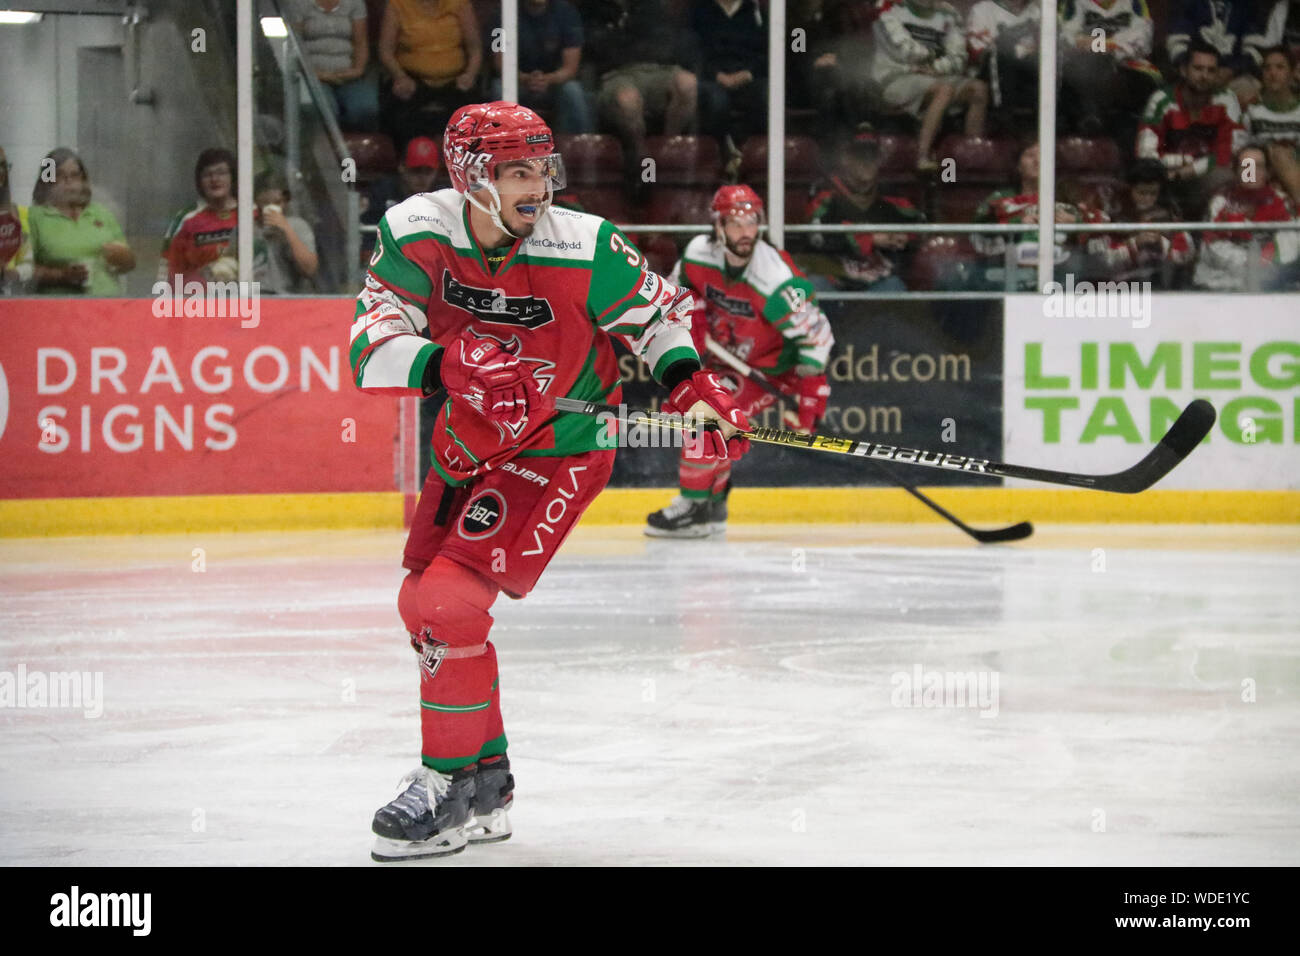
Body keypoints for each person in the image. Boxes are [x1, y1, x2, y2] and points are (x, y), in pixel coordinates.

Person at [355, 101, 750, 860]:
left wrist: (692, 390)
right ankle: (484, 780)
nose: (538, 186)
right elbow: (369, 349)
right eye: (518, 172)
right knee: (423, 607)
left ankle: (444, 787)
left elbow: (657, 320)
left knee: (447, 602)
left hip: (560, 448)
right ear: (472, 179)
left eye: (544, 168)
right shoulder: (417, 232)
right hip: (467, 446)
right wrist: (446, 364)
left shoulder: (584, 244)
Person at [645, 184, 833, 538]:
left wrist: (810, 391)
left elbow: (816, 336)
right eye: (735, 223)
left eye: (752, 222)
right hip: (726, 362)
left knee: (705, 418)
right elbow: (676, 292)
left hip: (772, 370)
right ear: (718, 226)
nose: (746, 232)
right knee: (710, 419)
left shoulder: (774, 278)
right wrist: (692, 314)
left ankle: (697, 504)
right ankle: (711, 504)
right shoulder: (699, 254)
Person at [582, 0, 701, 186]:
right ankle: (642, 161)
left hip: (657, 69)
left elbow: (666, 44)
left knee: (687, 83)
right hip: (617, 74)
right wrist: (629, 42)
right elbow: (597, 48)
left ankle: (666, 148)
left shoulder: (651, 7)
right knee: (628, 100)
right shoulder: (595, 9)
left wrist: (623, 39)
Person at [970, 141, 1106, 290]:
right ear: (1018, 166)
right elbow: (980, 231)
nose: (1037, 161)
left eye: (1043, 156)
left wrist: (1076, 223)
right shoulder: (1000, 199)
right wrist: (1016, 225)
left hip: (1063, 279)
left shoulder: (1070, 197)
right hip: (1011, 279)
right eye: (1030, 155)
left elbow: (1103, 227)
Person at [870, 0, 988, 172]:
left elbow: (959, 57)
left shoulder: (949, 14)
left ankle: (971, 155)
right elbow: (901, 50)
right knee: (944, 89)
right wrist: (935, 56)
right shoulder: (889, 6)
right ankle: (921, 156)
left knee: (978, 89)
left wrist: (935, 67)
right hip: (896, 77)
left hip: (935, 75)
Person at [801, 132, 926, 292]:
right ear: (845, 158)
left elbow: (920, 224)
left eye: (872, 156)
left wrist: (902, 236)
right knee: (812, 286)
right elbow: (817, 236)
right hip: (831, 278)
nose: (867, 162)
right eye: (860, 155)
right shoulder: (824, 190)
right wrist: (870, 239)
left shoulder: (890, 193)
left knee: (894, 288)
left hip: (875, 281)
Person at [1137, 38, 1246, 218]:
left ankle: (1216, 232)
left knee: (1229, 173)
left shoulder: (1226, 99)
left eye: (1211, 71)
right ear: (1184, 70)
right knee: (1145, 178)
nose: (1204, 76)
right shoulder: (1162, 99)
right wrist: (1181, 162)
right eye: (1198, 69)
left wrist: (1186, 171)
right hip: (1165, 177)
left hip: (1204, 179)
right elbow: (1146, 153)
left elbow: (1231, 150)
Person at [28, 148, 135, 295]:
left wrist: (123, 258)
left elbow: (128, 264)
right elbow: (21, 269)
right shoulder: (35, 217)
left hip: (108, 306)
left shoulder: (101, 213)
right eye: (60, 175)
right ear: (47, 181)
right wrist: (61, 275)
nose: (69, 182)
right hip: (58, 308)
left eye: (74, 175)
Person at [378, 0, 483, 150]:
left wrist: (470, 75)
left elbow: (475, 48)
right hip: (412, 78)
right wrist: (400, 77)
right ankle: (408, 163)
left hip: (456, 79)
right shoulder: (397, 5)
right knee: (398, 110)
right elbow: (385, 51)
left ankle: (461, 166)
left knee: (474, 113)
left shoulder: (460, 4)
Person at [1193, 143, 1300, 290]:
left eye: (1258, 166)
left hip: (1269, 280)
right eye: (1246, 166)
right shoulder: (1220, 202)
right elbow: (1212, 246)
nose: (1251, 172)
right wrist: (1251, 261)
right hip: (1222, 284)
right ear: (1236, 171)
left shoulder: (1282, 201)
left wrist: (1265, 261)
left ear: (1268, 172)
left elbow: (1290, 242)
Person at [1058, 0, 1160, 146]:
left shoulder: (1135, 3)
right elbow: (1067, 37)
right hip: (1085, 66)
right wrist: (1115, 43)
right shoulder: (1073, 2)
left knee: (1146, 82)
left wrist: (1100, 44)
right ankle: (1090, 119)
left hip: (1126, 66)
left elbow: (1142, 40)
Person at [487, 0, 592, 134]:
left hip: (555, 83)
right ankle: (505, 147)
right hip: (516, 81)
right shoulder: (501, 14)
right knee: (499, 89)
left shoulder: (567, 13)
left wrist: (547, 79)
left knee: (573, 91)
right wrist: (525, 78)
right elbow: (499, 63)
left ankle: (580, 149)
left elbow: (570, 68)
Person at [1092, 159, 1195, 287]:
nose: (1147, 199)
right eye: (1141, 192)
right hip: (1120, 286)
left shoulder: (1169, 214)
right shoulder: (1112, 215)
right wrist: (1135, 243)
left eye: (1153, 193)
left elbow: (1186, 253)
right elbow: (1101, 260)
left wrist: (1161, 242)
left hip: (1161, 284)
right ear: (1129, 188)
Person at [693, 0, 769, 172]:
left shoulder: (755, 13)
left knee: (768, 95)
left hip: (748, 77)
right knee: (716, 101)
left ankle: (753, 157)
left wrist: (748, 74)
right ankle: (722, 157)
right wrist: (716, 75)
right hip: (712, 79)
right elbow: (693, 51)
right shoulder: (701, 11)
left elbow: (768, 52)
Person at [288, 0, 379, 131]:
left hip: (349, 74)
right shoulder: (299, 3)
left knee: (365, 108)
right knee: (326, 110)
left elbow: (361, 42)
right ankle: (323, 148)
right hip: (312, 75)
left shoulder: (355, 3)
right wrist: (317, 74)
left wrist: (358, 70)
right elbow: (295, 45)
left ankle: (353, 148)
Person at [159, 148, 240, 285]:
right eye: (207, 175)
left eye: (221, 173)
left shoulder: (250, 213)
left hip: (248, 301)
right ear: (199, 181)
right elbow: (168, 270)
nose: (215, 179)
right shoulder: (187, 218)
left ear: (233, 177)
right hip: (198, 301)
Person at [361, 135, 442, 259]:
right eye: (416, 170)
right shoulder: (382, 192)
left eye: (428, 171)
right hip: (388, 261)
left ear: (436, 171)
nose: (422, 178)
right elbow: (369, 240)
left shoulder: (442, 197)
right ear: (402, 167)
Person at [966, 0, 1039, 124]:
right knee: (1003, 50)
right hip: (993, 72)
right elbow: (978, 51)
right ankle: (1003, 115)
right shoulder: (983, 9)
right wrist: (1017, 49)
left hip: (1028, 69)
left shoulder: (1038, 11)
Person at [1245, 46, 1300, 203]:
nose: (1273, 73)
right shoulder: (1251, 110)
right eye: (1267, 68)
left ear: (1292, 73)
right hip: (1262, 176)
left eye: (1280, 67)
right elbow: (1239, 152)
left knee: (1281, 154)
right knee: (1248, 160)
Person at [252, 172, 319, 293]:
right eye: (267, 203)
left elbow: (310, 269)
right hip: (252, 297)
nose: (272, 207)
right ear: (257, 201)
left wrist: (287, 231)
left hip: (286, 297)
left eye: (277, 202)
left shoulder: (297, 226)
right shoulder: (245, 229)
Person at [0, 145, 31, 293]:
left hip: (11, 301)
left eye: (3, 166)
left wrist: (14, 273)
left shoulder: (23, 215)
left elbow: (30, 263)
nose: (1, 172)